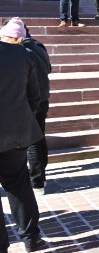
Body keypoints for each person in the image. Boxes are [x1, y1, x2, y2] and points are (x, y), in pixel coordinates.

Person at [0, 17, 47, 253]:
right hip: (16, 133)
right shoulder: (21, 54)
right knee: (18, 185)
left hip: (14, 132)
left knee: (18, 184)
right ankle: (31, 238)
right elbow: (34, 97)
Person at [21, 22, 51, 195]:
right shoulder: (39, 46)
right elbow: (49, 68)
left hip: (30, 101)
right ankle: (41, 175)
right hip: (42, 98)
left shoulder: (22, 52)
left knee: (33, 142)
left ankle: (37, 181)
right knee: (39, 138)